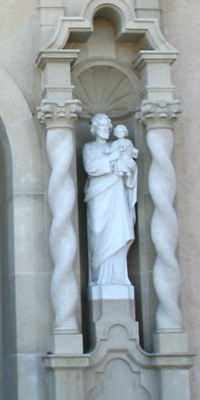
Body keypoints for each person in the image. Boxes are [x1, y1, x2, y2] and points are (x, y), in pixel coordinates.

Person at [82, 113, 135, 287]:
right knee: (98, 230)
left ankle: (117, 278)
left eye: (107, 126)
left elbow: (130, 165)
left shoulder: (119, 146)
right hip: (98, 194)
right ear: (94, 128)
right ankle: (99, 275)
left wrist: (128, 165)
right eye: (102, 126)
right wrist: (112, 158)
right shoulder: (89, 148)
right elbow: (91, 167)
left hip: (116, 193)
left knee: (118, 230)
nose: (106, 129)